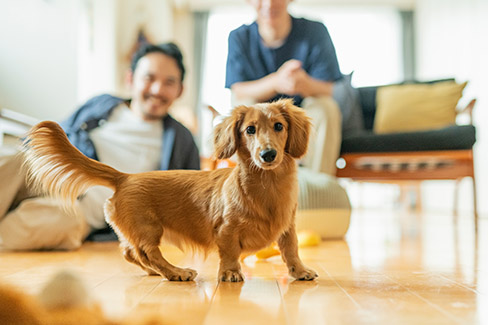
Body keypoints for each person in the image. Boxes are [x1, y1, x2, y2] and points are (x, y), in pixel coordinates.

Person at [0, 42, 200, 250]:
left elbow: (190, 203)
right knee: (12, 157)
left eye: (169, 82)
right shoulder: (101, 104)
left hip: (81, 209)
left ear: (180, 90)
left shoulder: (182, 140)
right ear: (130, 79)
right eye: (149, 78)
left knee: (46, 224)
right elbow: (59, 133)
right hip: (51, 173)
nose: (158, 90)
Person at [225, 0, 343, 176]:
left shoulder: (315, 31)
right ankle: (251, 186)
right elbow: (239, 90)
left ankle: (317, 187)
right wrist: (276, 82)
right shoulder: (239, 37)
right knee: (243, 103)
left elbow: (327, 89)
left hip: (301, 113)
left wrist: (302, 83)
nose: (269, 3)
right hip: (259, 117)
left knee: (326, 108)